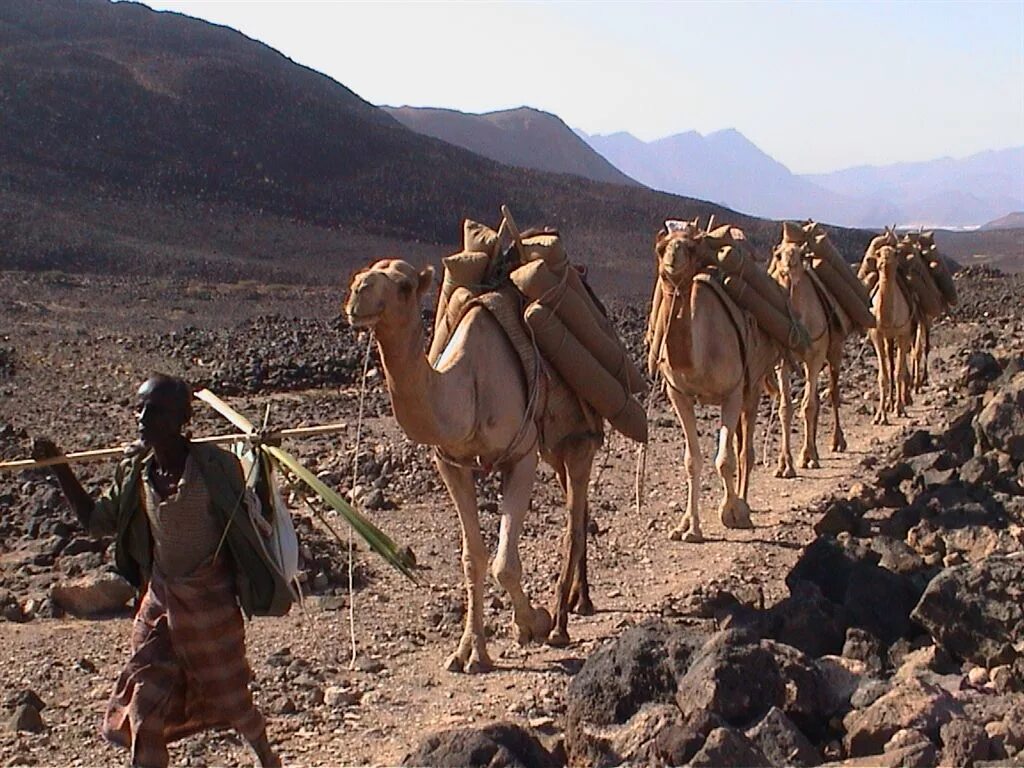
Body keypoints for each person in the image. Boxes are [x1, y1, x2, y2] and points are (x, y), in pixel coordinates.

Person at [33, 374, 292, 768]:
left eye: (153, 411)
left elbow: (253, 506)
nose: (141, 417)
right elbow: (95, 521)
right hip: (160, 603)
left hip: (210, 603)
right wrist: (60, 467)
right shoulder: (135, 471)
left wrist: (263, 455)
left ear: (179, 419)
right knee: (144, 704)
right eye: (139, 408)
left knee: (233, 700)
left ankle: (265, 755)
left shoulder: (215, 467)